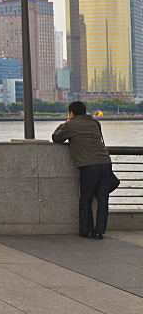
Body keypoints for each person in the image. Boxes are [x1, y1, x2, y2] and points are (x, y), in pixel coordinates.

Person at [52, 100, 115, 239]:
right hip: (105, 162)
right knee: (103, 199)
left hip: (89, 165)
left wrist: (65, 122)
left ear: (71, 113)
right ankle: (99, 232)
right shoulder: (95, 123)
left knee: (86, 198)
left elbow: (56, 138)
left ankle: (86, 230)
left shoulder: (70, 125)